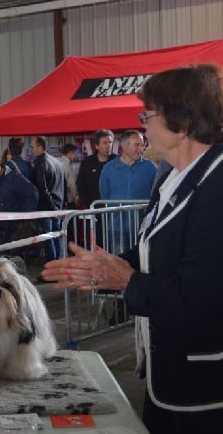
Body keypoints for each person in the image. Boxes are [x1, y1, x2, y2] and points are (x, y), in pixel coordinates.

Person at [40, 64, 223, 433]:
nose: (143, 127)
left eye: (148, 116)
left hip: (203, 387)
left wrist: (126, 280)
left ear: (182, 123)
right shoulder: (172, 178)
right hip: (166, 373)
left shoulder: (217, 184)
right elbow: (156, 252)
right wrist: (102, 269)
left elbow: (199, 294)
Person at [99, 130, 156, 254]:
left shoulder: (151, 167)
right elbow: (105, 196)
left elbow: (156, 194)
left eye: (142, 145)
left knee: (143, 261)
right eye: (137, 145)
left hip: (143, 226)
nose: (141, 148)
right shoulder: (109, 169)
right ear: (124, 146)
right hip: (116, 227)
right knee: (119, 262)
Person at [0, 156, 38, 244]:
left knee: (15, 256)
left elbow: (32, 194)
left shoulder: (14, 178)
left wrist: (25, 218)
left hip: (15, 230)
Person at [30, 136, 65, 261]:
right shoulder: (57, 162)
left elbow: (42, 189)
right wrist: (59, 207)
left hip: (48, 208)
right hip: (58, 205)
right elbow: (63, 185)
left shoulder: (40, 164)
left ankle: (52, 267)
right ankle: (60, 264)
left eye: (32, 147)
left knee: (48, 238)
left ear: (40, 147)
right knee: (58, 237)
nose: (30, 150)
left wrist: (52, 208)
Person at [76, 129, 116, 208]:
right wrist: (87, 203)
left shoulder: (117, 161)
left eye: (110, 142)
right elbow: (80, 184)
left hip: (113, 207)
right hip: (93, 207)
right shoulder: (87, 162)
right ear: (96, 146)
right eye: (105, 143)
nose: (108, 145)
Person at [59, 143, 79, 208]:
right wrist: (76, 198)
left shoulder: (58, 162)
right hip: (67, 199)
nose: (76, 155)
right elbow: (71, 184)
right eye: (75, 153)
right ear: (70, 153)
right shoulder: (66, 165)